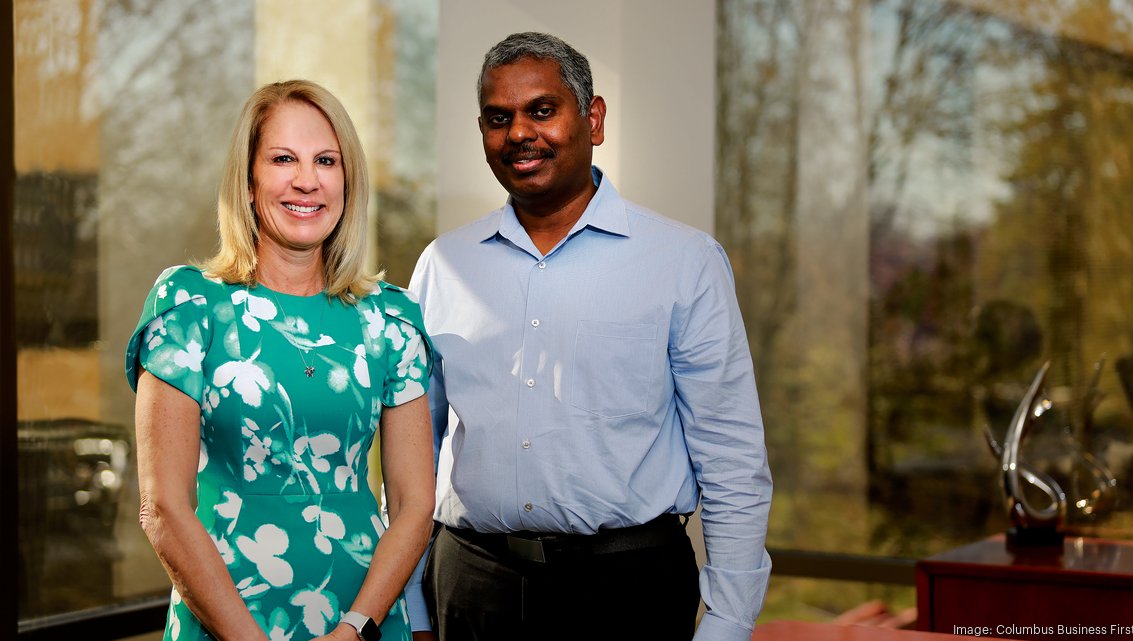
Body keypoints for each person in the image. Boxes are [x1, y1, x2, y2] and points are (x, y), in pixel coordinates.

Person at [407, 32, 772, 641]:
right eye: (499, 119)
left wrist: (731, 620)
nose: (520, 133)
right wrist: (411, 605)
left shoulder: (684, 261)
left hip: (628, 590)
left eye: (542, 111)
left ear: (593, 118)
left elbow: (732, 454)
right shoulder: (443, 266)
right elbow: (413, 452)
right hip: (471, 585)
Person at [126, 80, 435, 641]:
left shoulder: (391, 319)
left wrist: (355, 627)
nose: (307, 180)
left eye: (326, 161)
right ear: (248, 182)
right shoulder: (190, 306)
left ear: (347, 182)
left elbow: (415, 506)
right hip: (225, 618)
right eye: (283, 159)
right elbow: (163, 507)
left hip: (362, 615)